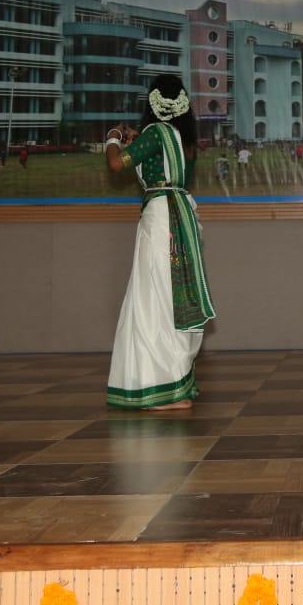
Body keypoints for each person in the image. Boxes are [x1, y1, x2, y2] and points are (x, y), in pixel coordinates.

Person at [103, 74, 215, 410]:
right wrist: (138, 139)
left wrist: (112, 138)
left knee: (152, 296)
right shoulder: (184, 139)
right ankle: (177, 381)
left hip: (160, 218)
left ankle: (157, 385)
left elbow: (116, 163)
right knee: (175, 296)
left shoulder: (155, 134)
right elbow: (161, 157)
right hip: (182, 216)